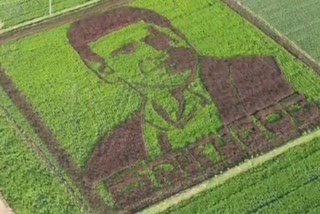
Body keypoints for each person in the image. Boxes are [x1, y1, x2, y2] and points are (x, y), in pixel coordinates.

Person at [68, 6, 292, 185]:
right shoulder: (111, 154)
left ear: (176, 36)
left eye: (153, 38)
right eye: (127, 50)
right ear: (106, 71)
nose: (156, 52)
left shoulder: (260, 69)